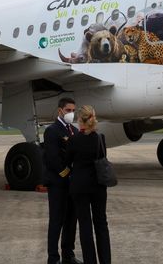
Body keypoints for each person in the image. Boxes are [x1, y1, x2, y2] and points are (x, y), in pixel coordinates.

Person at [64, 105, 111, 264]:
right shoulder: (99, 138)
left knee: (85, 226)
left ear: (80, 120)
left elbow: (67, 161)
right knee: (101, 224)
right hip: (98, 185)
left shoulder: (73, 139)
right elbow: (102, 158)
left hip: (80, 186)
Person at [43, 97, 82, 264]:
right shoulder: (52, 130)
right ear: (60, 111)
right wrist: (67, 173)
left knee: (71, 220)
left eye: (73, 111)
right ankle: (53, 258)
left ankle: (68, 254)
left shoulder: (73, 130)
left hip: (72, 184)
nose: (71, 114)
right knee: (57, 220)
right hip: (58, 183)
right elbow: (52, 158)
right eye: (68, 110)